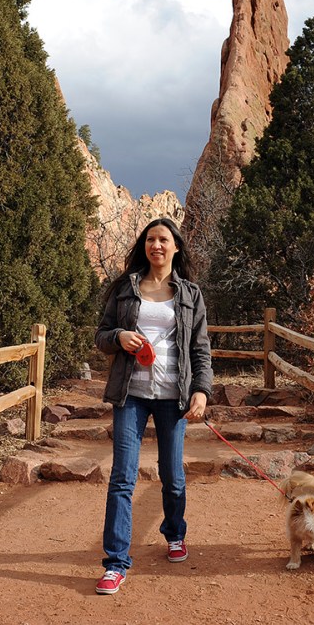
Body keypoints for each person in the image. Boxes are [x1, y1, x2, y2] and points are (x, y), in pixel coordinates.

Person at [93, 217, 213, 595]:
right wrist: (119, 336)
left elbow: (200, 349)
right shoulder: (125, 288)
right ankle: (115, 563)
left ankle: (174, 533)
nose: (156, 245)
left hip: (172, 398)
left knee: (172, 476)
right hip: (130, 394)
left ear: (176, 246)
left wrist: (201, 391)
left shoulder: (191, 294)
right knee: (122, 477)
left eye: (163, 239)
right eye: (150, 239)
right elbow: (101, 335)